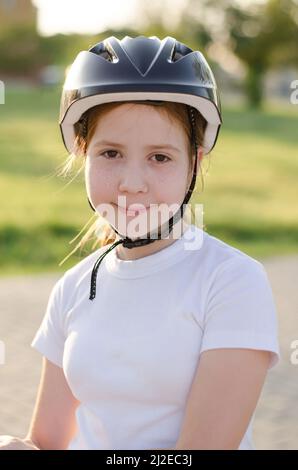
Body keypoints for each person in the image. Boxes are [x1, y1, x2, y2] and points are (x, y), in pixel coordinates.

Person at [0, 35, 280, 451]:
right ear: (83, 152)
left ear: (195, 162)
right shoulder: (74, 288)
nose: (132, 183)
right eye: (110, 153)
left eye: (160, 157)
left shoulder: (231, 281)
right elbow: (46, 441)